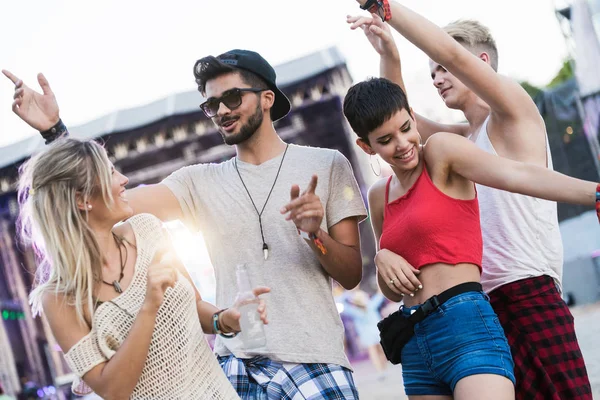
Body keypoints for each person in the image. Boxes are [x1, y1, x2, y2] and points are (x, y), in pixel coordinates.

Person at [3, 48, 368, 399]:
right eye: (212, 105)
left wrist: (314, 234)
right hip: (237, 365)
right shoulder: (198, 181)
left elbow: (351, 274)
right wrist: (56, 133)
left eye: (233, 97)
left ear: (267, 97)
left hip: (314, 358)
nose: (222, 110)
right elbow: (101, 198)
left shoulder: (327, 164)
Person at [346, 1, 594, 398]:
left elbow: (449, 51)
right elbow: (395, 116)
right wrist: (388, 52)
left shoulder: (513, 115)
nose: (437, 77)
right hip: (477, 304)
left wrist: (388, 9)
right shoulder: (459, 141)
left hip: (526, 287)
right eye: (431, 73)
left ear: (477, 63)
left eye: (443, 69)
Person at [16, 137, 271, 399]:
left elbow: (193, 307)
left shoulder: (148, 230)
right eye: (111, 172)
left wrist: (225, 319)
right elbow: (113, 390)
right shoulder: (59, 297)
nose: (123, 179)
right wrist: (149, 306)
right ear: (82, 200)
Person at [341, 289, 388, 378]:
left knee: (373, 352)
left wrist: (346, 294)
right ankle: (383, 368)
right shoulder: (371, 306)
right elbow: (379, 296)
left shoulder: (354, 311)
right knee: (381, 351)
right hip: (376, 332)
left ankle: (380, 371)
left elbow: (344, 305)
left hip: (366, 335)